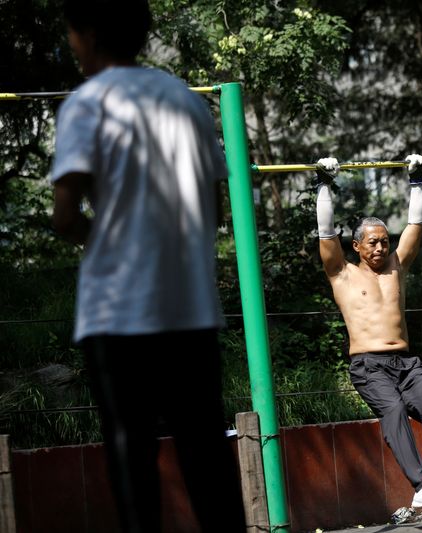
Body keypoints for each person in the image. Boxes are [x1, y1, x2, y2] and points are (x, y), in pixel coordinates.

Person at [50, 1, 246, 531]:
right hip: (190, 308)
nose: (70, 45)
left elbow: (65, 216)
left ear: (90, 33)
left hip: (117, 312)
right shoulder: (185, 101)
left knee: (131, 459)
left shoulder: (87, 104)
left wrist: (109, 239)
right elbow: (214, 209)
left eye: (71, 34)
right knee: (206, 455)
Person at [315, 155, 422, 510]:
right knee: (395, 411)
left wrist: (417, 179)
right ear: (356, 246)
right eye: (372, 242)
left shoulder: (397, 266)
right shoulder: (342, 273)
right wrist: (323, 182)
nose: (381, 248)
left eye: (384, 241)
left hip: (406, 361)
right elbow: (326, 234)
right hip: (368, 365)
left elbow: (416, 225)